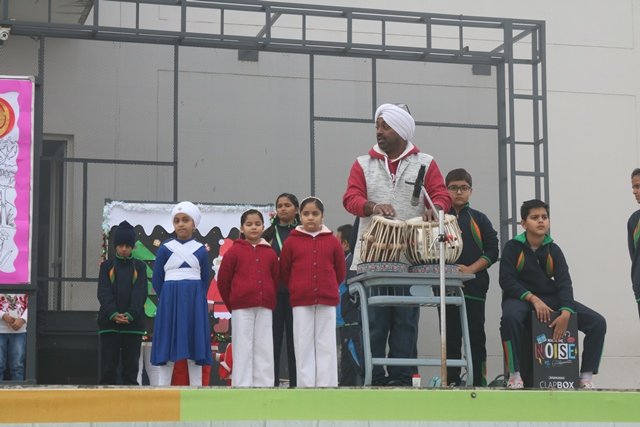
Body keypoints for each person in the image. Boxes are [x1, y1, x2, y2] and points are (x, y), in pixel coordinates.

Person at [343, 103, 451, 386]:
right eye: (377, 126)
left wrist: (435, 208)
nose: (379, 132)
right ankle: (374, 378)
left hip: (409, 261)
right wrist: (372, 206)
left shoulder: (425, 162)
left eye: (386, 127)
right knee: (374, 322)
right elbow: (350, 198)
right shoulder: (362, 164)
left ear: (402, 131)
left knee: (405, 322)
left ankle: (402, 379)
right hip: (371, 260)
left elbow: (441, 195)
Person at [500, 199, 606, 389]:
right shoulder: (513, 247)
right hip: (520, 297)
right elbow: (506, 281)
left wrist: (566, 311)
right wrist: (533, 299)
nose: (541, 221)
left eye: (544, 217)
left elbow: (564, 283)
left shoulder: (554, 249)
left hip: (550, 297)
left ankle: (585, 377)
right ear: (524, 224)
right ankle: (515, 375)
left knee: (597, 323)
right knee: (510, 318)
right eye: (534, 217)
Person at [279, 197, 346, 387]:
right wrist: (296, 287)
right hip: (301, 300)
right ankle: (306, 386)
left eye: (315, 214)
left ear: (322, 216)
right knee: (303, 343)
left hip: (327, 300)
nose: (310, 218)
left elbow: (340, 271)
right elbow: (284, 271)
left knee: (326, 343)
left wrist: (328, 286)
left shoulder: (332, 241)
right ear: (299, 216)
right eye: (306, 214)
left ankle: (327, 384)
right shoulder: (291, 242)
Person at [444, 168, 499, 386]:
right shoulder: (438, 219)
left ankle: (478, 382)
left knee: (476, 335)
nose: (459, 192)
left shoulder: (479, 219)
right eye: (453, 188)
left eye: (463, 188)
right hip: (445, 288)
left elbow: (493, 251)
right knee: (449, 336)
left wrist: (470, 270)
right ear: (445, 190)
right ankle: (451, 382)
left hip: (475, 287)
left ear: (471, 191)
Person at [151, 201, 212, 386]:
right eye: (177, 220)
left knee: (195, 341)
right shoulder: (165, 249)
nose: (181, 224)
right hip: (169, 300)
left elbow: (205, 278)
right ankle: (163, 388)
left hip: (194, 301)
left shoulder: (200, 250)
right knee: (167, 341)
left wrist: (195, 296)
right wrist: (167, 297)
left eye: (186, 220)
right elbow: (157, 278)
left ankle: (197, 387)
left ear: (194, 224)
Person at [217, 209, 279, 387]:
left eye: (257, 224)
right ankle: (242, 385)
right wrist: (233, 302)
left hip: (264, 307)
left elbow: (275, 279)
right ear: (241, 228)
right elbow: (223, 281)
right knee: (242, 346)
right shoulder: (233, 252)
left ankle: (265, 384)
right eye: (249, 224)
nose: (253, 227)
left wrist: (268, 297)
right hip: (241, 307)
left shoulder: (270, 253)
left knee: (264, 346)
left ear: (263, 227)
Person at [97, 220, 148, 385]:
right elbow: (103, 292)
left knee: (130, 368)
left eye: (127, 245)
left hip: (133, 325)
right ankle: (105, 396)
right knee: (108, 368)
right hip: (109, 324)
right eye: (120, 245)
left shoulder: (139, 267)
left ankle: (130, 398)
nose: (124, 249)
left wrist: (131, 314)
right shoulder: (106, 266)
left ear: (132, 246)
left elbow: (140, 293)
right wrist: (113, 313)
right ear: (115, 246)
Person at [262, 193, 300, 387]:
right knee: (273, 341)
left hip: (296, 294)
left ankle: (297, 384)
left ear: (296, 209)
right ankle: (272, 384)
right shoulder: (267, 235)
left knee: (296, 342)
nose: (283, 208)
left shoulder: (302, 232)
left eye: (287, 205)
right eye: (280, 205)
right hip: (275, 293)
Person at [335, 223, 363, 386]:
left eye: (336, 241)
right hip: (344, 323)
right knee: (346, 367)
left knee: (357, 363)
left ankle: (368, 389)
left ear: (346, 244)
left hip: (351, 323)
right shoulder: (343, 262)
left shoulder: (351, 262)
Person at [0, 293, 27, 381]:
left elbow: (33, 302)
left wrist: (23, 319)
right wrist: (2, 315)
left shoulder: (26, 284)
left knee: (17, 366)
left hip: (19, 331)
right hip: (3, 329)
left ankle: (17, 388)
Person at [627, 168, 640, 319]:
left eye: (638, 186)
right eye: (633, 187)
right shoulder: (634, 221)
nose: (634, 191)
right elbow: (634, 257)